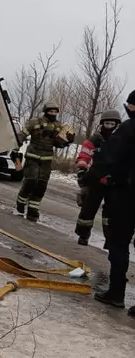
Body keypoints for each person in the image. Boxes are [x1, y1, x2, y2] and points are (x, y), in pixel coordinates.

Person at [87, 91, 135, 316]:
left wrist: (93, 176)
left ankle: (116, 293)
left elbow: (108, 157)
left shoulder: (128, 129)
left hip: (125, 197)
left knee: (118, 244)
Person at [14, 102, 74, 222]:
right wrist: (16, 148)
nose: (53, 114)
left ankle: (33, 209)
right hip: (33, 156)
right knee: (31, 181)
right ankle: (20, 204)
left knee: (41, 185)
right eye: (50, 111)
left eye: (55, 112)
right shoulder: (35, 122)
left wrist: (67, 141)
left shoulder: (59, 127)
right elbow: (22, 135)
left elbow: (58, 144)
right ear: (45, 111)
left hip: (46, 159)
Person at [74, 110, 121, 247]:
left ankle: (110, 239)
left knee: (111, 214)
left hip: (113, 182)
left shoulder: (121, 140)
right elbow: (84, 156)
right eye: (107, 123)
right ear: (102, 124)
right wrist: (82, 170)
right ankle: (83, 235)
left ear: (117, 125)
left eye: (112, 123)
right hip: (95, 180)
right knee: (88, 209)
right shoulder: (95, 140)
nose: (109, 126)